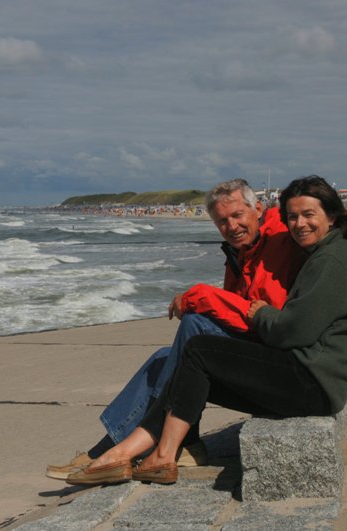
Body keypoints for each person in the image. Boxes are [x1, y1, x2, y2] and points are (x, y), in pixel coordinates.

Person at [66, 175, 347, 486]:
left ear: (331, 215)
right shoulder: (316, 253)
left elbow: (291, 330)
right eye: (293, 217)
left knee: (197, 349)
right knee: (180, 364)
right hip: (309, 374)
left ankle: (146, 452)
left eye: (308, 215)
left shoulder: (329, 259)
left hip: (314, 380)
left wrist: (260, 313)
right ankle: (128, 451)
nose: (299, 224)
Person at [46, 179, 307, 479]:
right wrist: (205, 300)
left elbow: (261, 315)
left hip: (278, 363)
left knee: (195, 326)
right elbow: (236, 310)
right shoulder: (242, 251)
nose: (231, 226)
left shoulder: (279, 241)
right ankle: (168, 443)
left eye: (237, 215)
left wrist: (200, 296)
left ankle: (135, 444)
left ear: (257, 209)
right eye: (222, 221)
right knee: (164, 357)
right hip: (258, 349)